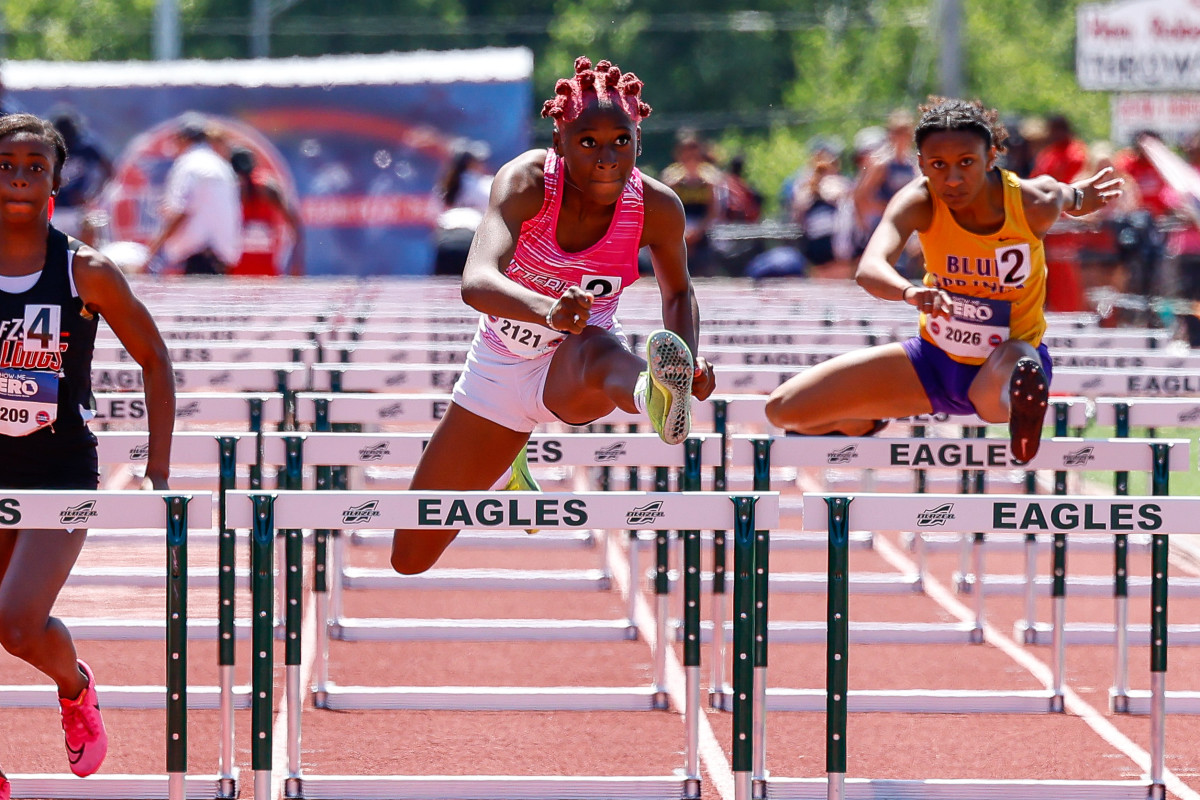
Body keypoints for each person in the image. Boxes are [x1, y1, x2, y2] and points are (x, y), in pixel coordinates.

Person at [389, 56, 715, 575]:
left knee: (599, 348)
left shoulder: (656, 206)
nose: (606, 158)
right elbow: (476, 282)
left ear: (638, 142)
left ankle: (653, 390)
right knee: (410, 555)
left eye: (620, 141)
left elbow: (678, 293)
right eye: (588, 142)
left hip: (576, 366)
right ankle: (506, 460)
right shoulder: (526, 182)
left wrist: (688, 361)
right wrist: (549, 310)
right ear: (560, 143)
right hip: (499, 369)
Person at [764, 97, 1122, 464]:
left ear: (992, 156)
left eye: (967, 163)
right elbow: (870, 267)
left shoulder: (1031, 201)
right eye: (938, 165)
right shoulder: (919, 199)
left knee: (1015, 361)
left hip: (1005, 366)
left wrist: (1080, 196)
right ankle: (864, 421)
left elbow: (1064, 194)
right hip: (933, 363)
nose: (952, 179)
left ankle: (1022, 413)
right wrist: (910, 291)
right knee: (783, 409)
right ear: (921, 164)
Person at [0, 114, 175, 799]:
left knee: (15, 623)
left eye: (33, 165)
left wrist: (157, 466)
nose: (18, 174)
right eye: (6, 162)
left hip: (58, 471)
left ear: (55, 179)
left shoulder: (84, 271)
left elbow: (154, 359)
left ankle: (75, 690)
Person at [144, 113, 242, 275]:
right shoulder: (220, 164)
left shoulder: (188, 164)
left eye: (177, 139)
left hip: (196, 257)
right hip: (221, 257)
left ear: (184, 138)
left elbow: (182, 211)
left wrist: (152, 251)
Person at [228, 147, 304, 277]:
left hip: (241, 268)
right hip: (261, 267)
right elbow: (294, 224)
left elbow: (294, 223)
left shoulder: (233, 189)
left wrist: (297, 262)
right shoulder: (267, 187)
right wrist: (297, 262)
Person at [660, 129, 723, 276]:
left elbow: (713, 211)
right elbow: (666, 208)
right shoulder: (671, 176)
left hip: (702, 229)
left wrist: (698, 231)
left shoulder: (709, 177)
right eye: (686, 154)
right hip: (678, 227)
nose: (690, 158)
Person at [47, 108, 113, 246]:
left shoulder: (84, 147)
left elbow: (109, 170)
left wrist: (92, 195)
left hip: (77, 208)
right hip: (51, 207)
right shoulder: (46, 148)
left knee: (82, 249)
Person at [433, 141, 494, 276]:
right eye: (479, 161)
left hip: (444, 241)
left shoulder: (444, 185)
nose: (482, 164)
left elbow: (435, 213)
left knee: (442, 289)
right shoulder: (484, 184)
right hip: (470, 240)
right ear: (470, 163)